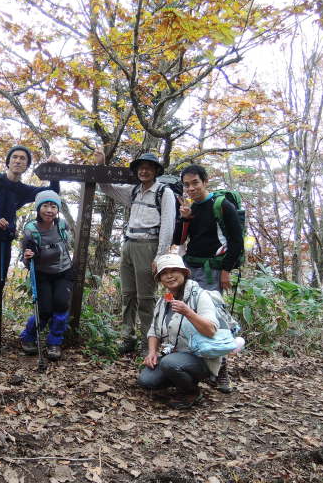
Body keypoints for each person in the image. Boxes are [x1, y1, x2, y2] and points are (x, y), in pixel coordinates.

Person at [0, 146, 60, 352]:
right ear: (8, 161)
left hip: (4, 241)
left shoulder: (22, 189)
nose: (18, 161)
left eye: (23, 159)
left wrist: (54, 172)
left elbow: (51, 194)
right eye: (14, 157)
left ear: (26, 165)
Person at [94, 149, 176, 355]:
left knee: (146, 297)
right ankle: (127, 337)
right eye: (141, 167)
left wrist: (160, 256)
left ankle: (147, 341)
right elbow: (106, 187)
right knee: (128, 294)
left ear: (156, 171)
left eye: (149, 168)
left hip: (149, 246)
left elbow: (168, 225)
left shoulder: (163, 192)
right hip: (129, 244)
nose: (144, 171)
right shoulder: (134, 191)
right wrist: (102, 165)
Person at [173, 164, 243, 393]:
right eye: (187, 184)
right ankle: (192, 367)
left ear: (205, 182)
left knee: (215, 320)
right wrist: (184, 219)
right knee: (186, 316)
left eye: (195, 183)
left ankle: (221, 373)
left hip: (213, 270)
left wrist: (226, 270)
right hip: (190, 267)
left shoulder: (222, 205)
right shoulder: (190, 208)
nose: (191, 188)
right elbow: (179, 239)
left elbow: (236, 241)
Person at [138, 254, 220, 409]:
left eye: (174, 270)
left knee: (170, 363)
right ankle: (179, 378)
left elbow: (211, 330)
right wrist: (152, 352)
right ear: (160, 279)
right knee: (147, 381)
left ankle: (191, 391)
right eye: (164, 272)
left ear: (184, 272)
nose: (169, 276)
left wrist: (188, 312)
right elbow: (154, 330)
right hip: (175, 356)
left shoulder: (200, 296)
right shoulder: (164, 301)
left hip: (201, 358)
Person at [20, 190, 72, 361]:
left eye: (53, 206)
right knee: (44, 310)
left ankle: (54, 342)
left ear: (57, 209)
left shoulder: (62, 225)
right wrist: (28, 256)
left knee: (61, 305)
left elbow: (67, 245)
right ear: (38, 208)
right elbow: (26, 260)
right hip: (41, 273)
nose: (49, 210)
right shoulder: (31, 230)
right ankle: (28, 337)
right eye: (45, 206)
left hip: (63, 272)